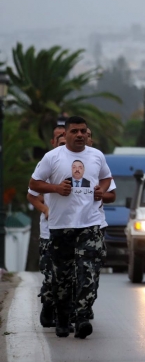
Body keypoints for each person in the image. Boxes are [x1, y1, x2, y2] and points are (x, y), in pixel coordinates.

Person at [29, 116, 112, 339]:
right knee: (62, 276)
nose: (80, 135)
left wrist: (102, 190)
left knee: (88, 272)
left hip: (90, 225)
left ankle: (82, 317)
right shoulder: (52, 157)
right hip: (61, 226)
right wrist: (56, 188)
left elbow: (106, 178)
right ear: (65, 134)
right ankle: (63, 319)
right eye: (74, 131)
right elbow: (34, 184)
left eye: (83, 131)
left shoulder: (96, 155)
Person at [27, 124, 66, 328]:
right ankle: (49, 306)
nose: (63, 141)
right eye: (59, 138)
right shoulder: (47, 162)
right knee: (52, 275)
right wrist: (45, 209)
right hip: (49, 232)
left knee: (70, 275)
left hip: (73, 230)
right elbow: (32, 194)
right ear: (53, 142)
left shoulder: (81, 162)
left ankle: (69, 314)